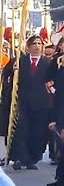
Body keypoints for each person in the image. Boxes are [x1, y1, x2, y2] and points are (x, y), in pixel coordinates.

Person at [3, 36, 52, 169]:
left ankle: (32, 158)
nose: (37, 46)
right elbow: (5, 75)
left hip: (40, 102)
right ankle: (19, 157)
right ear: (28, 47)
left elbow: (53, 78)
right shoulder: (19, 60)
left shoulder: (48, 62)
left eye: (39, 43)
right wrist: (13, 72)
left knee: (37, 130)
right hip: (22, 101)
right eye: (34, 43)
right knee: (21, 129)